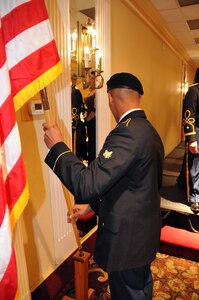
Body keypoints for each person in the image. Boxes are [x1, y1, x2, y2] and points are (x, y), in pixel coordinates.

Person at [43, 72, 164, 300]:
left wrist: (58, 147)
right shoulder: (148, 130)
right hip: (140, 235)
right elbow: (132, 186)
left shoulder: (126, 133)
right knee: (138, 289)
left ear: (110, 98)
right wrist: (92, 207)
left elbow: (86, 185)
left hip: (128, 242)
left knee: (130, 294)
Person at [181, 67, 199, 213]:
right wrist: (191, 139)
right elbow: (188, 116)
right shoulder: (194, 91)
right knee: (195, 166)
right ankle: (195, 198)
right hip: (197, 132)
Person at [71, 73, 87, 160]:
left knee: (77, 142)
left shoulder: (75, 92)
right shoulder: (73, 91)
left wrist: (74, 121)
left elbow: (75, 108)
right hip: (76, 121)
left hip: (76, 122)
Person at [83, 71, 96, 164]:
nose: (90, 80)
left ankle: (93, 163)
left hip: (92, 120)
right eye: (90, 78)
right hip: (88, 120)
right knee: (90, 141)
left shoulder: (97, 91)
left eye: (92, 78)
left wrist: (87, 119)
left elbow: (95, 110)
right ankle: (90, 162)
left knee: (92, 142)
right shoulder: (91, 91)